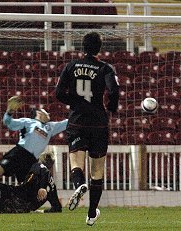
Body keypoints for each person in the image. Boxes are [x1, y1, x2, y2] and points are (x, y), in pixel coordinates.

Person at [55, 32, 120, 226]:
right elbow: (114, 90)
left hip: (77, 121)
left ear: (82, 47)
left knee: (76, 161)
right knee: (97, 170)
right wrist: (112, 108)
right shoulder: (105, 68)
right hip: (99, 123)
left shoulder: (71, 66)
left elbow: (58, 93)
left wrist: (74, 103)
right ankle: (92, 213)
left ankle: (78, 184)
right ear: (99, 48)